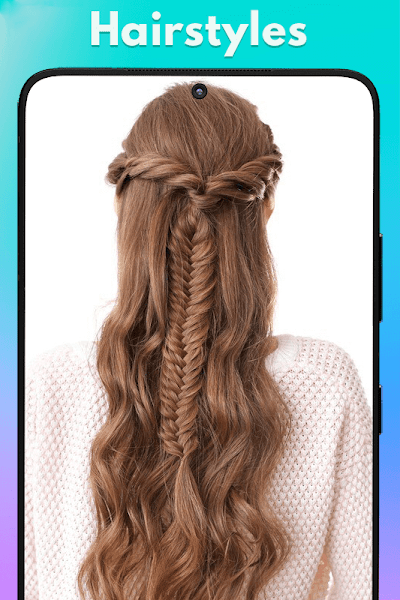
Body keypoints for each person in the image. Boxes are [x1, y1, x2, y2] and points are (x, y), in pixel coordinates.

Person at [25, 81, 372, 600]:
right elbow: (371, 584)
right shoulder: (322, 381)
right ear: (266, 207)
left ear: (122, 204)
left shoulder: (47, 384)